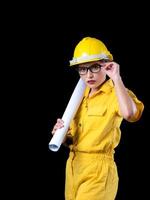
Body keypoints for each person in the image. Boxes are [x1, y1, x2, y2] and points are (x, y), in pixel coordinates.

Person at [51, 37, 144, 200]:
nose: (88, 75)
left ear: (107, 65)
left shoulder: (116, 93)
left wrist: (116, 78)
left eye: (94, 67)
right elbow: (75, 138)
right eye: (82, 69)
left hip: (98, 171)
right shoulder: (80, 96)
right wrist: (62, 135)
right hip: (73, 167)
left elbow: (130, 114)